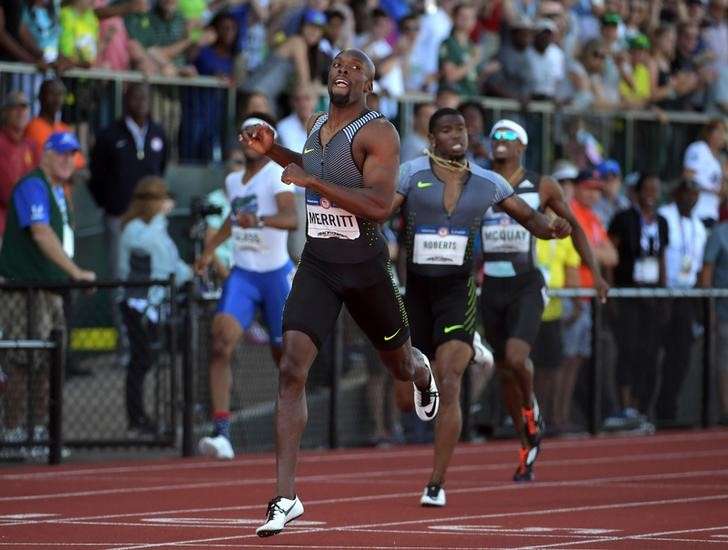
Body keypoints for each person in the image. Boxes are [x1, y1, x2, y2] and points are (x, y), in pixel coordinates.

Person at [241, 49, 439, 537]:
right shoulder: (315, 122)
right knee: (291, 367)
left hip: (366, 268)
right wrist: (274, 152)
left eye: (354, 68)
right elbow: (309, 170)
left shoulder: (379, 132)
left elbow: (376, 206)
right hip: (320, 265)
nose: (341, 72)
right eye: (335, 65)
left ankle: (421, 370)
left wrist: (312, 181)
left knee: (397, 365)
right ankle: (286, 497)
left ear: (369, 85)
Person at [393, 108, 571, 507]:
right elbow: (381, 211)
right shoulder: (410, 173)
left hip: (458, 293)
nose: (456, 134)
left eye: (461, 128)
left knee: (451, 376)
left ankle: (435, 484)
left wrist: (555, 227)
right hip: (416, 292)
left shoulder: (487, 182)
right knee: (405, 397)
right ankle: (468, 349)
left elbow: (531, 220)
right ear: (433, 138)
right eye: (446, 129)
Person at [480, 119, 609, 482]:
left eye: (508, 136)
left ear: (522, 146)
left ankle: (531, 404)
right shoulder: (482, 182)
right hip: (492, 285)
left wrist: (595, 273)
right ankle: (526, 442)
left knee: (519, 357)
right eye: (495, 137)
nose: (500, 141)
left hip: (526, 283)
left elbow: (575, 227)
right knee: (504, 368)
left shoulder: (542, 185)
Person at [195, 113, 298, 461]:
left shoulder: (277, 176)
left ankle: (290, 424)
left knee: (285, 358)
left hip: (274, 274)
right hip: (243, 274)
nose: (251, 139)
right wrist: (209, 250)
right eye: (246, 134)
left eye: (259, 133)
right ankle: (221, 431)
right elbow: (232, 217)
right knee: (221, 342)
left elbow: (291, 219)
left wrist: (260, 220)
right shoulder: (233, 182)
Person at [0, 131, 95, 449]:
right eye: (62, 153)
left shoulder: (57, 191)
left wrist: (70, 275)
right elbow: (40, 233)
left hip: (51, 288)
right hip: (27, 289)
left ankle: (39, 428)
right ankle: (14, 429)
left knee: (47, 362)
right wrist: (76, 272)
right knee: (22, 359)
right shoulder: (34, 185)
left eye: (73, 155)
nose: (69, 160)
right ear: (46, 154)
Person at [118, 176, 192, 435]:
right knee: (141, 361)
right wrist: (161, 217)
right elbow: (159, 256)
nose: (168, 203)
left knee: (147, 361)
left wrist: (193, 272)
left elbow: (172, 263)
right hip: (137, 305)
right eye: (163, 199)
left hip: (152, 305)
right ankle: (136, 419)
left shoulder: (156, 228)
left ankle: (143, 418)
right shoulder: (136, 229)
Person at [88, 83, 168, 280]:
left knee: (157, 271)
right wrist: (109, 205)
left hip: (152, 218)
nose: (141, 102)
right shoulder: (109, 134)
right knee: (120, 274)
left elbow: (162, 168)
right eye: (136, 97)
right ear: (125, 101)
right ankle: (120, 312)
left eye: (145, 97)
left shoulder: (158, 133)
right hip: (119, 217)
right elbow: (96, 174)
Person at [608, 174, 668, 421]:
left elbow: (662, 257)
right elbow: (610, 255)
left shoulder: (662, 222)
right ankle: (624, 406)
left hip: (651, 295)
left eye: (656, 190)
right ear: (637, 192)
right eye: (647, 189)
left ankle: (640, 405)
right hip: (627, 293)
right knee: (628, 349)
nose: (651, 195)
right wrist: (610, 293)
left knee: (648, 351)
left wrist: (663, 293)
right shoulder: (623, 219)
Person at [657, 179, 706, 424]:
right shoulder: (663, 215)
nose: (692, 198)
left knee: (680, 358)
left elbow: (697, 269)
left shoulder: (698, 225)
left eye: (696, 194)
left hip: (686, 297)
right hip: (661, 295)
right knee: (653, 354)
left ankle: (670, 409)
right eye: (688, 193)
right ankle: (645, 408)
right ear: (677, 194)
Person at [700, 212, 728, 425]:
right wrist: (708, 309)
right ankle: (725, 410)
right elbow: (707, 272)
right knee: (724, 361)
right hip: (723, 310)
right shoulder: (720, 233)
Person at [0, 91, 38, 243]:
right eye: (15, 107)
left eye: (24, 107)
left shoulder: (31, 145)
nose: (21, 112)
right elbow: (7, 192)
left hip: (26, 226)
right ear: (5, 112)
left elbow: (39, 184)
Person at [683, 119, 727, 228]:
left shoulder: (720, 160)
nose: (723, 136)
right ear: (709, 133)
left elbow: (722, 193)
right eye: (719, 131)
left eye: (725, 132)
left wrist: (725, 179)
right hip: (695, 212)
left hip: (712, 214)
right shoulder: (699, 148)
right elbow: (688, 178)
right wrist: (711, 190)